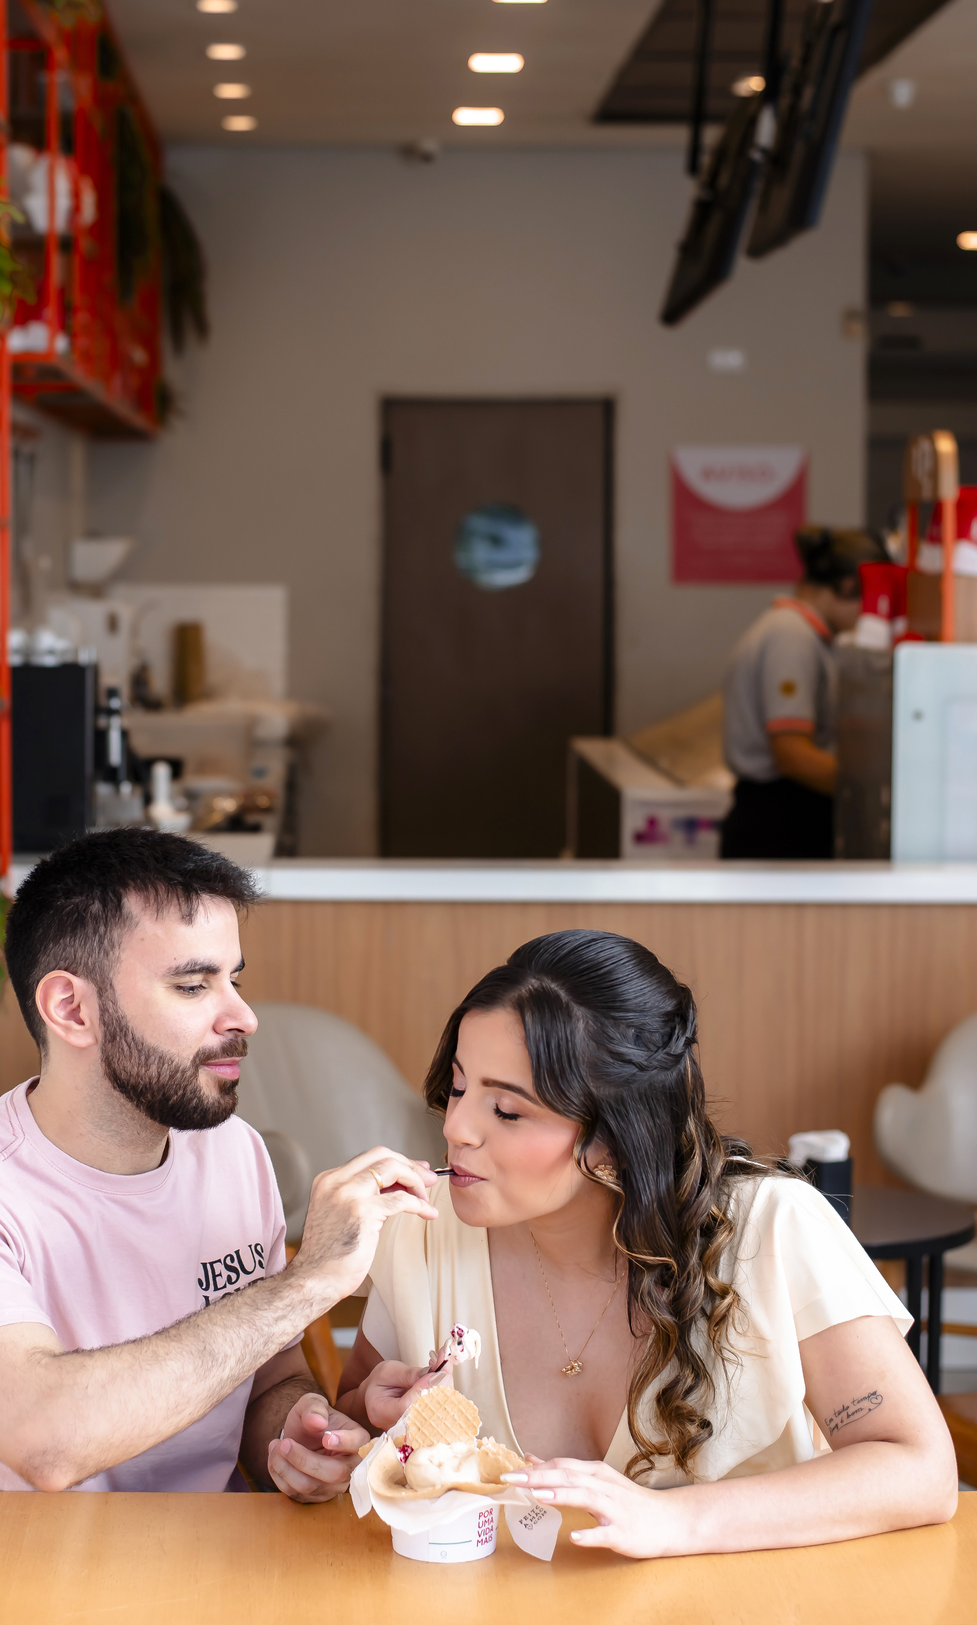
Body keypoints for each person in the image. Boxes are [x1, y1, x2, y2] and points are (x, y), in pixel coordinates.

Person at [335, 930, 957, 1559]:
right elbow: (359, 1421)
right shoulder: (423, 1229)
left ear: (616, 1134)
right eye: (459, 1087)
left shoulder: (772, 1227)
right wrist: (344, 1435)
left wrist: (676, 1520)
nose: (456, 1127)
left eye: (508, 1111)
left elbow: (920, 1469)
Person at [0, 828, 438, 1495]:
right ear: (71, 1008)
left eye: (233, 980)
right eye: (194, 986)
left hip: (216, 1555)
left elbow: (267, 1379)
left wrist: (296, 1434)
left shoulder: (234, 1152)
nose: (244, 1016)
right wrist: (308, 1283)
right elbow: (47, 1441)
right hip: (23, 1562)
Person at [719, 525, 887, 860]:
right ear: (847, 587)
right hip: (778, 822)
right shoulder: (790, 636)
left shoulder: (803, 634)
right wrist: (868, 791)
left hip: (785, 813)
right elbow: (792, 754)